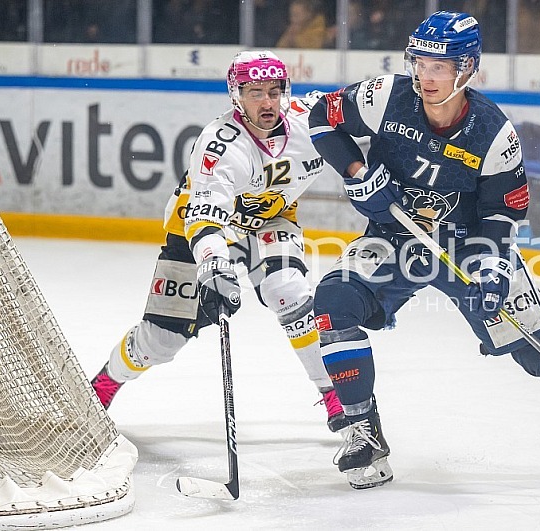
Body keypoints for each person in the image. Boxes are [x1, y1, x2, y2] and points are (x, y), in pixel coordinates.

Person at [308, 11, 540, 489]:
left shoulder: (494, 135)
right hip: (393, 236)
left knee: (537, 346)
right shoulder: (382, 97)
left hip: (468, 245)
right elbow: (320, 117)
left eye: (440, 66)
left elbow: (501, 217)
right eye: (419, 62)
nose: (425, 75)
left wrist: (493, 269)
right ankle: (363, 433)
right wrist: (357, 173)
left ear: (467, 69)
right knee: (334, 305)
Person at [91, 51, 348, 433]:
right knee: (161, 341)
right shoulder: (220, 144)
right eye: (255, 92)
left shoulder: (308, 118)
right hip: (200, 232)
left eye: (274, 91)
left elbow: (369, 104)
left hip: (270, 219)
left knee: (288, 290)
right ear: (236, 95)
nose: (267, 102)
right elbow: (205, 216)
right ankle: (105, 384)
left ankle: (334, 395)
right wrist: (213, 262)